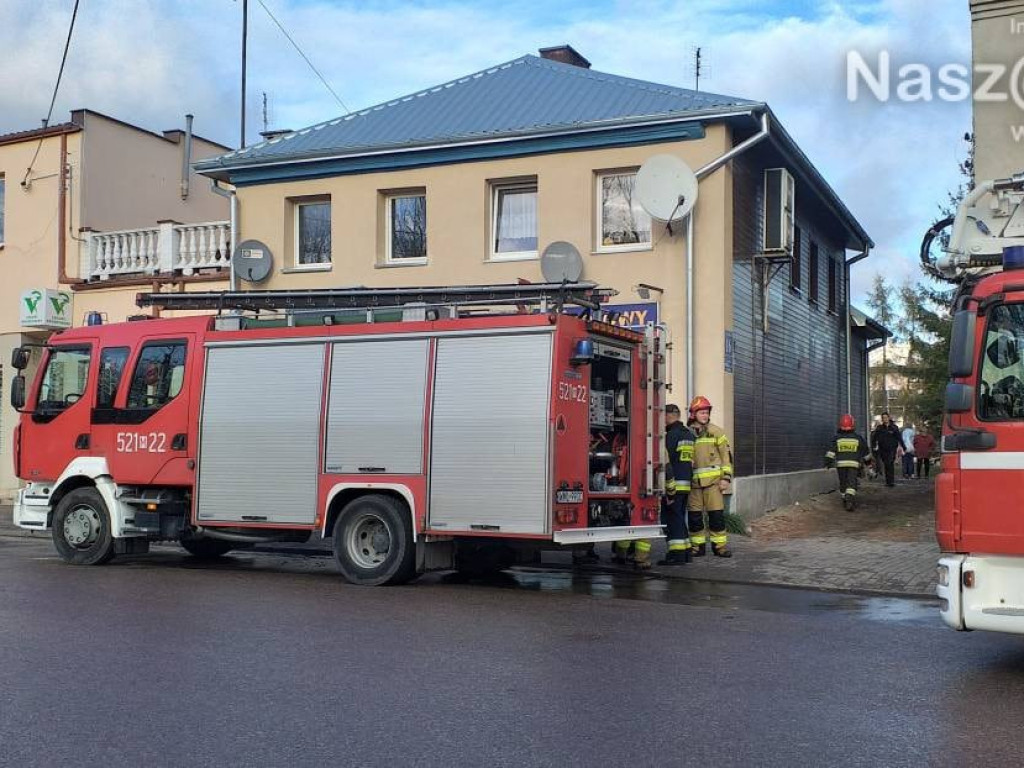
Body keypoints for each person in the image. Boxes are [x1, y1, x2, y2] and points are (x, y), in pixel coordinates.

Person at [687, 395, 733, 558]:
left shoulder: (717, 432)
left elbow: (727, 457)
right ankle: (697, 547)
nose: (705, 415)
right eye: (702, 413)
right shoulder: (687, 434)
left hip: (714, 483)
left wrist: (725, 478)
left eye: (707, 412)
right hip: (693, 484)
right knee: (694, 518)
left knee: (716, 517)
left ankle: (719, 547)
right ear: (693, 414)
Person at [658, 403, 694, 565]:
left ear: (668, 415)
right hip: (686, 483)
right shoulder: (689, 434)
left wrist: (669, 488)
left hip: (673, 484)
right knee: (679, 517)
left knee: (671, 518)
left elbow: (666, 463)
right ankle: (686, 552)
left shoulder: (671, 436)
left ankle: (677, 554)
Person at [825, 414, 872, 511]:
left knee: (843, 482)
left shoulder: (837, 438)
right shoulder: (858, 438)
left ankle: (844, 498)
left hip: (841, 465)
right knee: (852, 483)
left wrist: (828, 464)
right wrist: (869, 464)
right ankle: (849, 498)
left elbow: (830, 453)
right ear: (853, 425)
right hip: (853, 465)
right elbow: (866, 453)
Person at [871, 412, 902, 488]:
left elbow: (898, 437)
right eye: (883, 418)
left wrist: (901, 446)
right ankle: (888, 481)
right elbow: (874, 437)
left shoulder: (894, 427)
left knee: (890, 463)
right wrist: (874, 445)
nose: (885, 419)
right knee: (886, 464)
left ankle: (891, 481)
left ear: (888, 418)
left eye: (886, 417)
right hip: (883, 449)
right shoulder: (880, 428)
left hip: (892, 448)